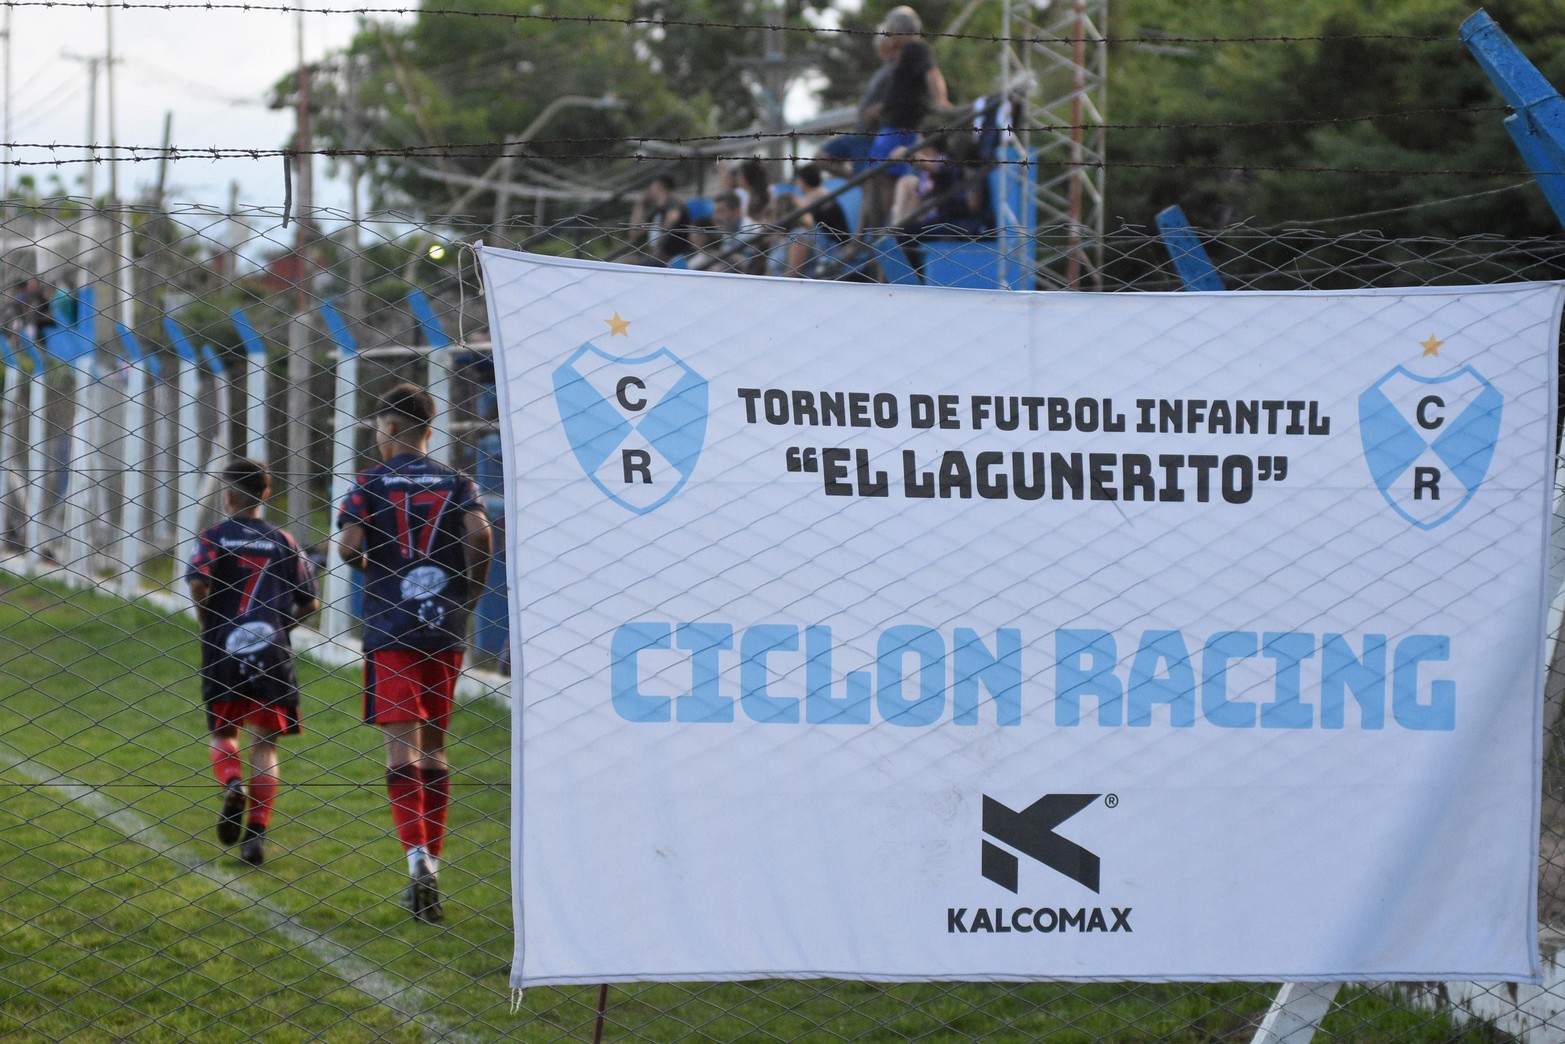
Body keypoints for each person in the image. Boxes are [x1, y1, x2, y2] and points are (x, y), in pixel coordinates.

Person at [336, 383, 492, 923]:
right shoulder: (458, 481)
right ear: (430, 428)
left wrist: (371, 567)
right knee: (435, 745)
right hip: (444, 625)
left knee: (399, 747)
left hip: (392, 626)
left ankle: (416, 857)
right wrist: (469, 592)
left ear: (391, 427)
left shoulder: (369, 482)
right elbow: (480, 534)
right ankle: (436, 863)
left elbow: (349, 546)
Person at [187, 458, 319, 867]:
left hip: (225, 648)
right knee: (265, 744)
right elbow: (310, 601)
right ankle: (256, 834)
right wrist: (279, 627)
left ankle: (232, 783)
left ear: (227, 496)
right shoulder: (284, 541)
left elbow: (198, 582)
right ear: (266, 494)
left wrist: (209, 620)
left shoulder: (213, 536)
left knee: (223, 733)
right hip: (272, 652)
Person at [863, 6, 951, 230]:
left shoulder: (915, 48)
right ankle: (879, 230)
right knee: (881, 177)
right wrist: (882, 108)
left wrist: (941, 100)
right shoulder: (904, 54)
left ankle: (883, 230)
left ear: (901, 30)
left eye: (891, 30)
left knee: (884, 178)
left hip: (901, 127)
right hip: (894, 124)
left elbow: (932, 73)